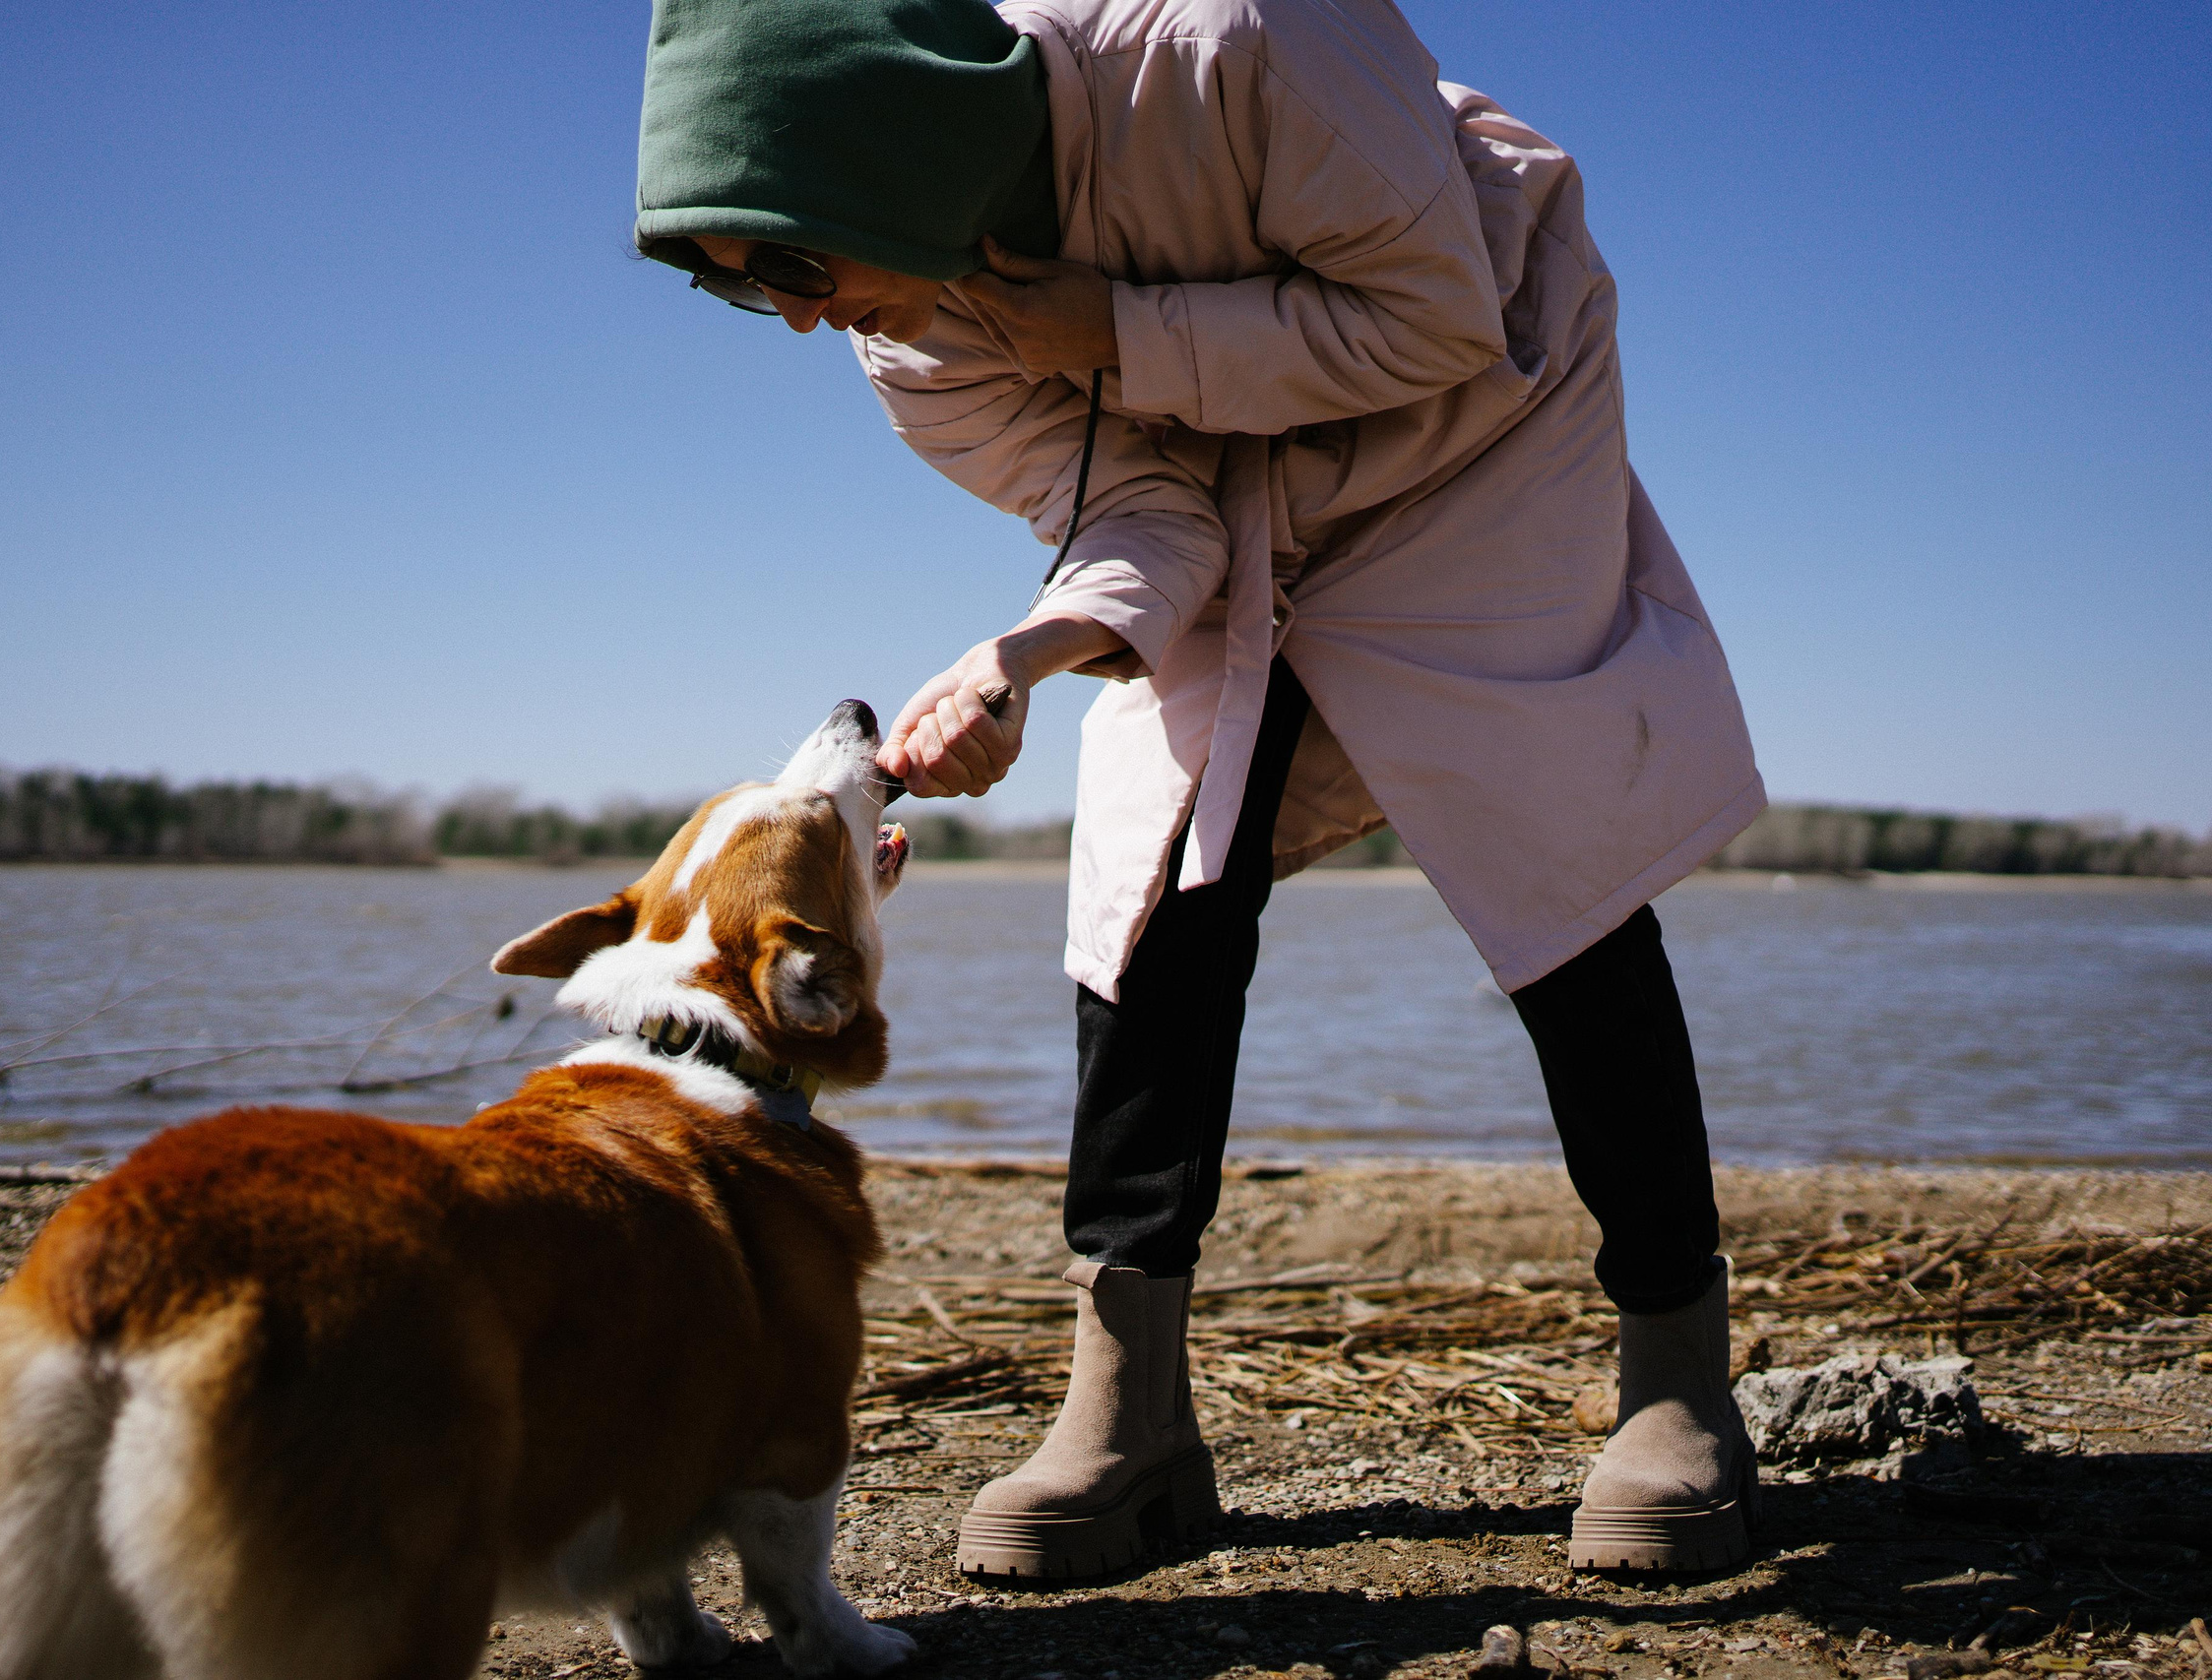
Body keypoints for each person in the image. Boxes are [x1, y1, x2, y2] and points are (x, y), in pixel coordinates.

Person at [633, 0, 1767, 1581]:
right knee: (1154, 877)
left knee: (1549, 863)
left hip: (1476, 422)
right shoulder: (911, 333)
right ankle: (1131, 1412)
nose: (804, 322)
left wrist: (1110, 331)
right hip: (1225, 480)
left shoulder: (1244, 36)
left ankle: (1675, 1377)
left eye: (799, 266)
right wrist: (1024, 655)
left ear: (898, 158)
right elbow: (1144, 509)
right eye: (744, 293)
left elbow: (1438, 311)